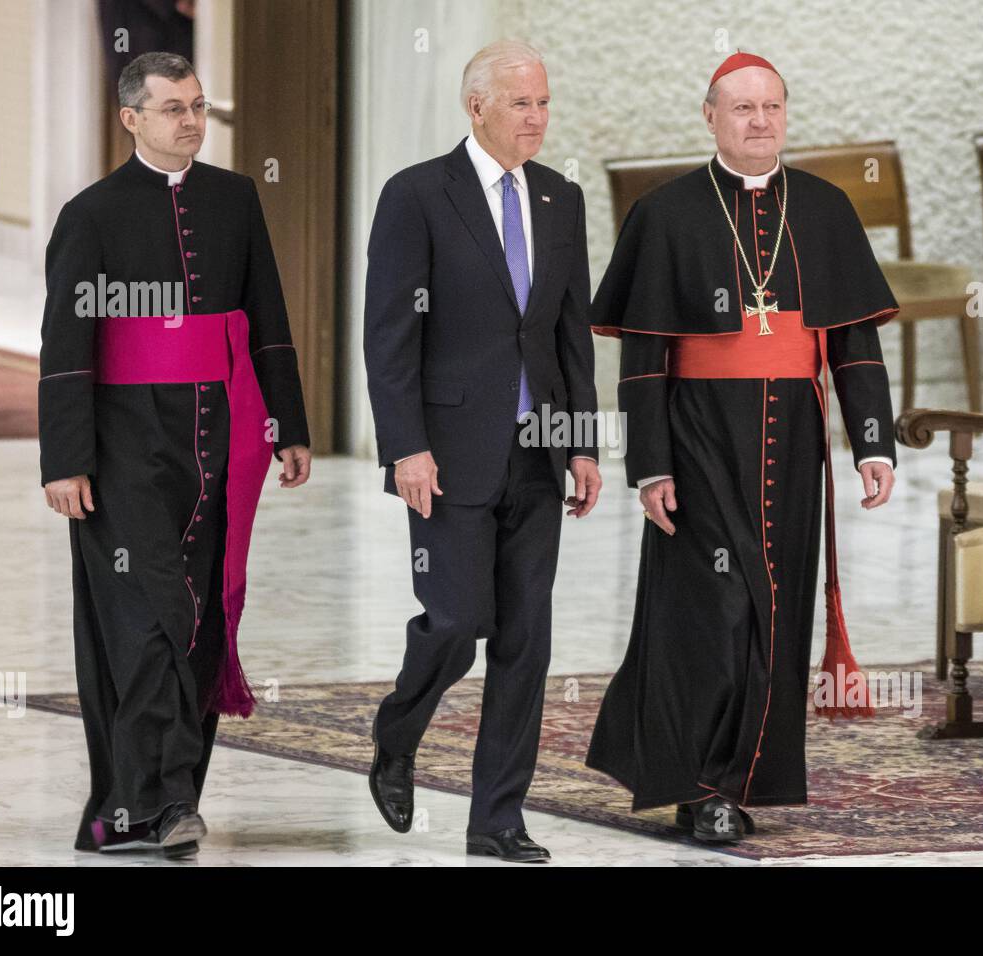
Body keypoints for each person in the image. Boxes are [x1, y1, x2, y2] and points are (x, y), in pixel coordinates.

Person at [584, 51, 897, 843]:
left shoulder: (824, 208)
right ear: (710, 117)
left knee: (776, 611)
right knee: (715, 606)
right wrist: (648, 465)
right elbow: (645, 354)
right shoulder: (666, 213)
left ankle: (741, 781)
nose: (760, 121)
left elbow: (854, 343)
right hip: (697, 435)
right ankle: (700, 784)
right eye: (742, 108)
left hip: (793, 436)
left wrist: (873, 442)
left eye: (772, 108)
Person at [38, 51, 311, 857]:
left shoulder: (234, 198)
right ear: (131, 119)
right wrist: (64, 459)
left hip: (217, 437)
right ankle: (139, 805)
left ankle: (170, 805)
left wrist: (287, 425)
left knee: (200, 621)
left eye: (197, 107)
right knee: (147, 622)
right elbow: (65, 345)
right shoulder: (90, 213)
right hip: (124, 446)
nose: (190, 121)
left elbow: (267, 316)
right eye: (171, 109)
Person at [363, 39, 601, 863]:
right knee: (457, 621)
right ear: (477, 107)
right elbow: (390, 334)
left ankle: (496, 818)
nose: (537, 118)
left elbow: (571, 333)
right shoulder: (416, 196)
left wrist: (581, 443)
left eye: (543, 103)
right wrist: (406, 448)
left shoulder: (562, 199)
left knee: (525, 638)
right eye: (521, 104)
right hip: (448, 453)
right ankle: (396, 736)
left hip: (538, 454)